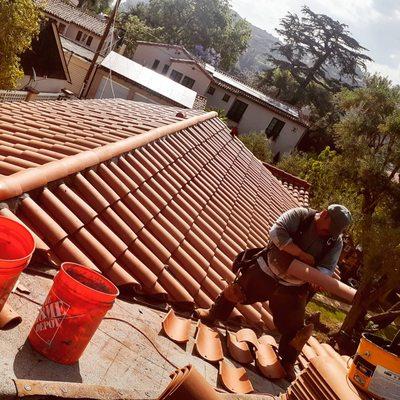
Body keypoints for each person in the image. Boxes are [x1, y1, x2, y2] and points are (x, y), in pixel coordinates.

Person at [196, 205, 352, 380]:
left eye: (333, 232)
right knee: (236, 291)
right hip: (268, 269)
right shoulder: (300, 216)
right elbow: (276, 232)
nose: (329, 233)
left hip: (294, 286)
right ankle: (213, 314)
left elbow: (327, 269)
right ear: (324, 215)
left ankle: (287, 362)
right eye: (328, 228)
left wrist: (319, 279)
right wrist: (300, 254)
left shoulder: (335, 241)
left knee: (296, 329)